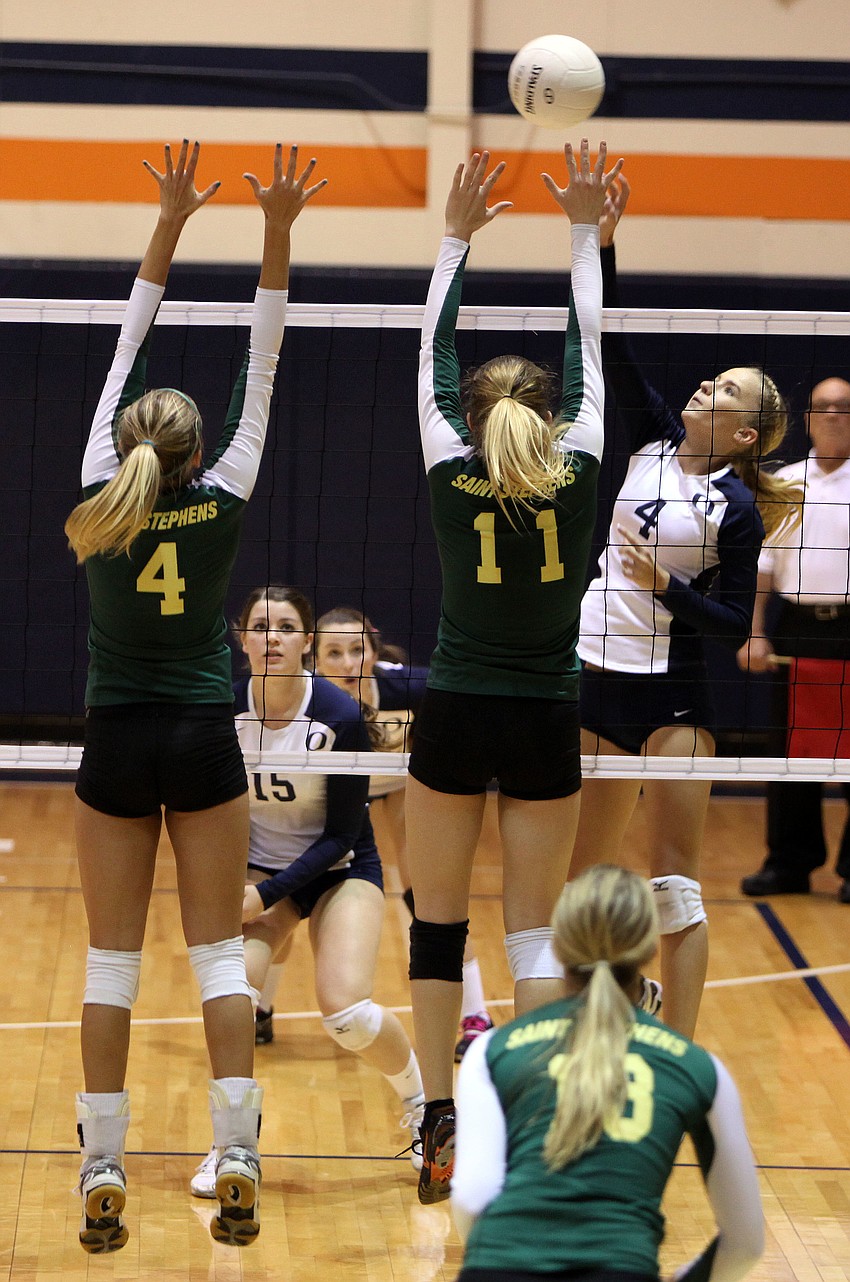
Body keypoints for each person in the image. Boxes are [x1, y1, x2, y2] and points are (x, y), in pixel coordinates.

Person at [64, 140, 326, 1252]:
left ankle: (102, 1165)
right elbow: (261, 359)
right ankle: (240, 1152)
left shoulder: (97, 496)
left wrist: (164, 223)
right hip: (201, 745)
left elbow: (125, 347)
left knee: (110, 962)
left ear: (128, 448)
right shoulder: (221, 498)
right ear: (200, 450)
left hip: (115, 745)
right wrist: (275, 229)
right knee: (219, 953)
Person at [406, 141, 622, 1204]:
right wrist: (585, 229)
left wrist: (455, 234)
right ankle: (532, 1122)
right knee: (535, 927)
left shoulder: (449, 464)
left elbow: (427, 353)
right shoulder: (577, 465)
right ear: (545, 410)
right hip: (545, 714)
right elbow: (591, 342)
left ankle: (436, 1122)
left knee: (435, 925)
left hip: (453, 713)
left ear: (476, 409)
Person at [569, 175, 802, 1040]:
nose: (707, 387)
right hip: (595, 677)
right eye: (710, 380)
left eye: (725, 391)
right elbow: (611, 336)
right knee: (585, 884)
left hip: (671, 698)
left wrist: (668, 588)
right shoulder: (651, 444)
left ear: (744, 434)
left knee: (674, 883)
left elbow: (734, 623)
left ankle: (682, 1057)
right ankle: (628, 1001)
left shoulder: (735, 511)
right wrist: (601, 241)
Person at [189, 586, 426, 1197]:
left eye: (286, 627)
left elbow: (344, 834)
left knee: (346, 1012)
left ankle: (427, 1111)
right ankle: (230, 1144)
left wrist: (267, 898)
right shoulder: (221, 708)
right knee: (231, 993)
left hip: (340, 868)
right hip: (259, 869)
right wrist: (240, 885)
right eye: (260, 626)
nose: (272, 638)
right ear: (242, 640)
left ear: (306, 644)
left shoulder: (338, 718)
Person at [451, 865, 764, 1282]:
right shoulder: (699, 1069)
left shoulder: (493, 1050)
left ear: (559, 946)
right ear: (648, 950)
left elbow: (473, 1199)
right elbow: (745, 1244)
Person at [314, 606, 494, 1059]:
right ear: (313, 660)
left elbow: (463, 703)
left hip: (397, 787)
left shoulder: (407, 687)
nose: (347, 663)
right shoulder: (304, 700)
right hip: (334, 793)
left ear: (374, 651)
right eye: (333, 652)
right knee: (300, 890)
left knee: (428, 896)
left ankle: (476, 1015)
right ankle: (264, 1007)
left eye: (357, 650)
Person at [738, 378, 850, 900]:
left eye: (842, 408)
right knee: (792, 754)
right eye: (822, 407)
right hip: (796, 628)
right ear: (807, 418)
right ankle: (789, 863)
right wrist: (755, 633)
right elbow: (763, 568)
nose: (831, 415)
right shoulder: (784, 481)